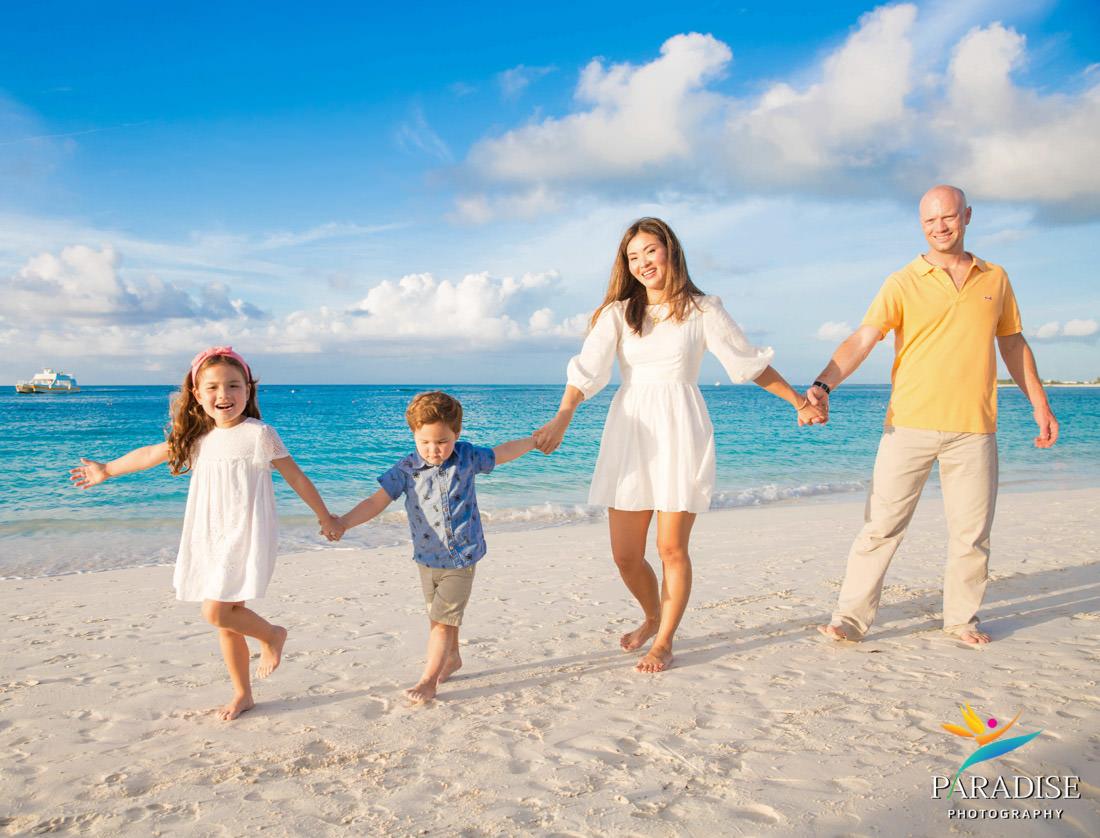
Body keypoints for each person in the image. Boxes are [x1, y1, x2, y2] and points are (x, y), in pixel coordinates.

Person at [533, 217, 825, 673]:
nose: (643, 262)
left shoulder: (703, 309)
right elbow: (585, 373)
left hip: (680, 430)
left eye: (650, 250)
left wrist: (795, 401)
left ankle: (665, 640)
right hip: (630, 433)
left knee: (671, 548)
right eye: (633, 257)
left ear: (670, 250)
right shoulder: (618, 314)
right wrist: (562, 420)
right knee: (626, 555)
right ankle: (653, 615)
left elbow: (747, 363)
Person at [812, 186, 1058, 645]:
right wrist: (824, 385)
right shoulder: (903, 280)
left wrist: (1040, 405)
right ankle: (850, 618)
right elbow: (864, 338)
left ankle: (961, 619)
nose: (939, 227)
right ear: (920, 224)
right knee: (880, 528)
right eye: (930, 221)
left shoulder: (996, 278)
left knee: (971, 535)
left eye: (947, 218)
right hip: (907, 425)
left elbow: (1012, 343)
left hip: (975, 428)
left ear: (966, 215)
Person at [71, 346, 343, 720]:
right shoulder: (197, 436)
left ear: (248, 391)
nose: (224, 395)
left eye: (233, 385)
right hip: (209, 534)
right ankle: (243, 693)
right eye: (212, 387)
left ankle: (272, 634)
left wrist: (325, 516)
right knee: (228, 619)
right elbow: (150, 454)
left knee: (215, 611)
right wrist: (107, 469)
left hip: (243, 533)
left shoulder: (259, 434)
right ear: (197, 395)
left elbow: (295, 475)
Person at [331, 391, 536, 703]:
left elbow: (502, 452)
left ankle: (428, 680)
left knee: (441, 622)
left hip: (463, 557)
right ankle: (451, 659)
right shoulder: (405, 470)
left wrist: (534, 441)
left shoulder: (467, 457)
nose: (433, 449)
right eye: (424, 441)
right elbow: (376, 501)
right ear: (414, 434)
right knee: (438, 618)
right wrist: (344, 522)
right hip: (427, 559)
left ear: (456, 433)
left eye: (441, 441)